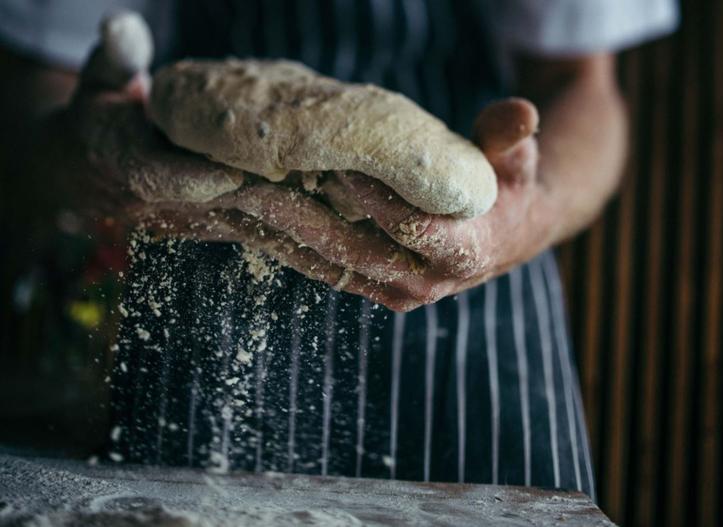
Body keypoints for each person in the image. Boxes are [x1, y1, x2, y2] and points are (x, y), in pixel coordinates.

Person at [0, 0, 677, 498]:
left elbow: (583, 83)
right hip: (207, 257)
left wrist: (533, 208)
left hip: (476, 292)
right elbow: (43, 81)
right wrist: (80, 151)